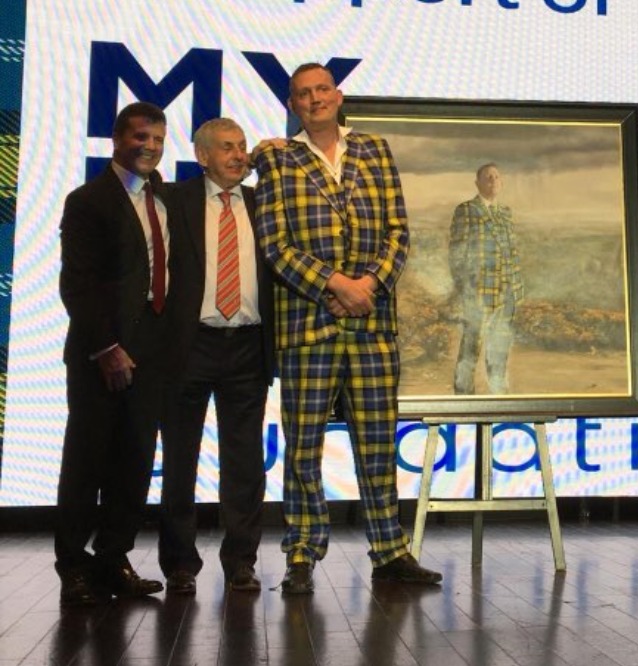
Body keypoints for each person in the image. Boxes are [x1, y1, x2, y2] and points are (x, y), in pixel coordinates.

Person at [254, 62, 441, 593]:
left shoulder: (375, 149)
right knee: (303, 447)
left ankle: (390, 551)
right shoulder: (276, 156)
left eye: (321, 90)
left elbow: (399, 232)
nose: (314, 99)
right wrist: (337, 285)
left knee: (379, 444)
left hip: (373, 325)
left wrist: (369, 288)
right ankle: (302, 554)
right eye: (302, 94)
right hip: (308, 325)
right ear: (293, 105)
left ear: (338, 96)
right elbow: (275, 246)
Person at [55, 101, 171, 605]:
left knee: (134, 462)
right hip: (100, 355)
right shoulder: (88, 200)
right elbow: (76, 284)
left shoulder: (166, 197)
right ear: (117, 138)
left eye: (157, 139)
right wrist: (106, 347)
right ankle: (73, 567)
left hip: (153, 353)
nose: (149, 147)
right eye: (140, 137)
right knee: (86, 463)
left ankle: (113, 558)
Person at [157, 118, 274, 595]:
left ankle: (241, 561)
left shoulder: (264, 203)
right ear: (202, 156)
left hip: (248, 344)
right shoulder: (175, 201)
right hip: (190, 345)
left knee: (246, 463)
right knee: (180, 458)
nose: (238, 155)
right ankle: (180, 565)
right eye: (227, 147)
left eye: (243, 147)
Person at [449, 163, 524, 395]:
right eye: (487, 177)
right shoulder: (467, 210)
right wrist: (465, 289)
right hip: (478, 293)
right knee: (471, 347)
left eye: (496, 177)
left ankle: (499, 395)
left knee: (499, 348)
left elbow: (512, 252)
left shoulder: (506, 213)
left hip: (506, 293)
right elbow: (457, 252)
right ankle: (462, 396)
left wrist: (517, 289)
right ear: (478, 183)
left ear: (501, 183)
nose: (493, 181)